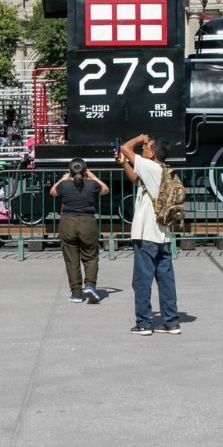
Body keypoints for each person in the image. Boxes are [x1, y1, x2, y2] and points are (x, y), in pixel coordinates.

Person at [118, 133, 179, 335]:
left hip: (147, 234)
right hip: (163, 234)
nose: (142, 150)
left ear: (152, 153)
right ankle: (171, 322)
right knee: (166, 280)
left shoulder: (151, 166)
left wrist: (139, 138)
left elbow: (126, 147)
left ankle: (144, 323)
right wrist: (125, 164)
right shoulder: (162, 170)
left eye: (146, 148)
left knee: (141, 281)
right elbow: (136, 179)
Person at [49, 158, 110, 303]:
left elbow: (52, 191)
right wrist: (93, 175)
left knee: (71, 260)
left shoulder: (64, 185)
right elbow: (106, 189)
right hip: (88, 222)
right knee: (90, 256)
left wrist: (63, 178)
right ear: (85, 171)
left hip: (67, 223)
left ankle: (76, 294)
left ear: (70, 170)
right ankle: (90, 285)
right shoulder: (92, 184)